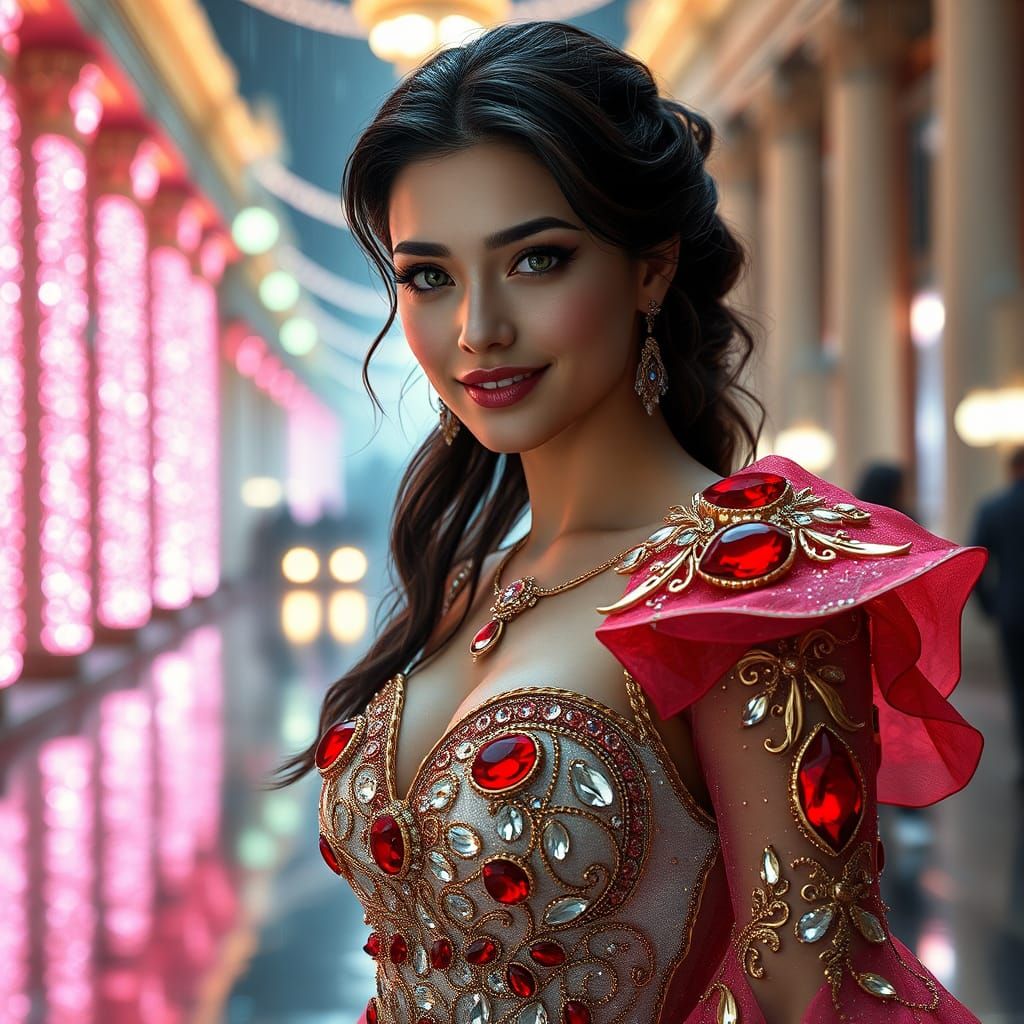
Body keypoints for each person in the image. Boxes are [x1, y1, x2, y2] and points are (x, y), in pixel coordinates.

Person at [273, 21, 987, 1023]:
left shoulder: (749, 579)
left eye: (537, 260)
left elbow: (807, 994)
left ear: (650, 268)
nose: (477, 328)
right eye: (429, 275)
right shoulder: (478, 571)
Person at [970, 446, 1024, 788]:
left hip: (1013, 612)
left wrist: (991, 605)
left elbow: (977, 560)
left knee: (1019, 688)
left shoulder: (994, 508)